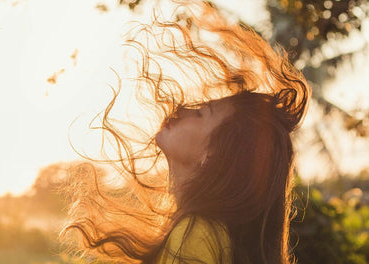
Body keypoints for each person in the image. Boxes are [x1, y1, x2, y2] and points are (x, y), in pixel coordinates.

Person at [61, 1, 311, 263]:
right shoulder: (211, 233)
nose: (181, 109)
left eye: (200, 112)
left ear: (213, 154)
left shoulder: (198, 233)